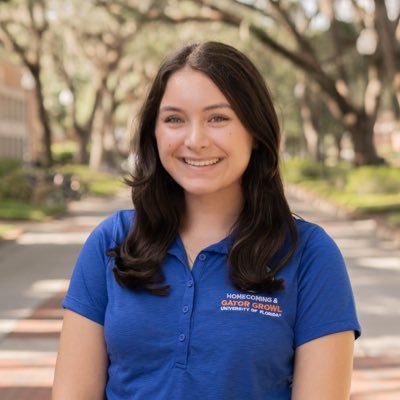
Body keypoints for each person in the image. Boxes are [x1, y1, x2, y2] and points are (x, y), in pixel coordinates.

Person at [52, 41, 361, 400]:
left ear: (256, 133)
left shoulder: (309, 255)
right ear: (154, 133)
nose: (195, 140)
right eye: (174, 119)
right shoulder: (113, 241)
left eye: (218, 118)